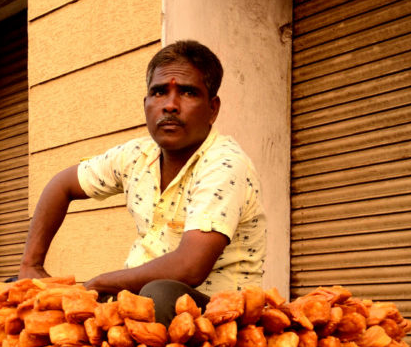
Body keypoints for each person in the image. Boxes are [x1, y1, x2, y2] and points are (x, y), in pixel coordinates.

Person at [19, 40, 266, 325]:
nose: (170, 105)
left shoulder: (223, 164)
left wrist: (98, 283)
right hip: (139, 302)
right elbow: (61, 186)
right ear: (146, 104)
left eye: (187, 92)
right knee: (23, 292)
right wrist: (31, 265)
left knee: (159, 293)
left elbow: (189, 268)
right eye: (159, 92)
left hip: (220, 314)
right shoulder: (136, 156)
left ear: (212, 108)